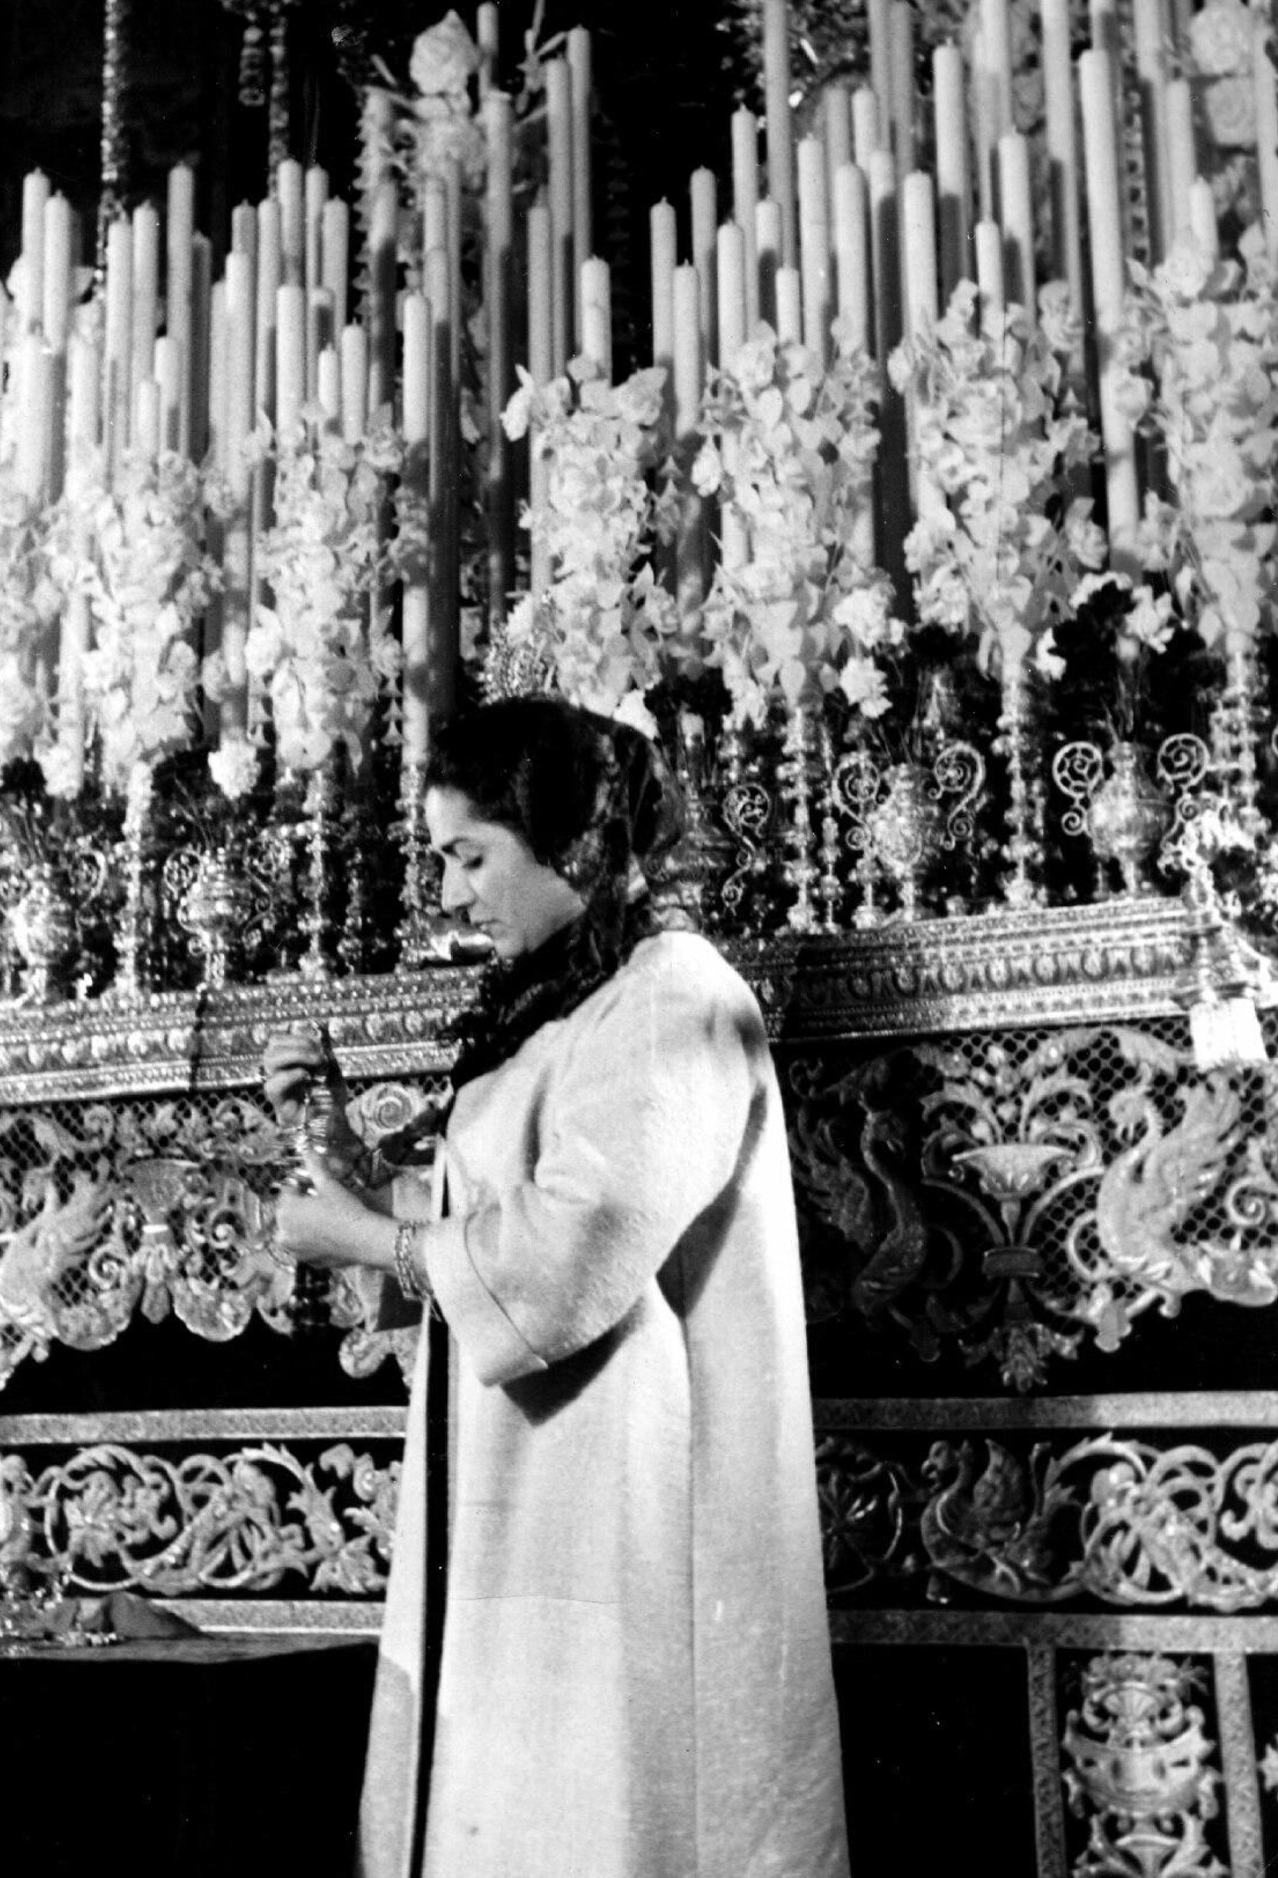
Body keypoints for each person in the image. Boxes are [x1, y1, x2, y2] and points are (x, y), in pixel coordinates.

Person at [265, 696, 848, 1878]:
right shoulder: (567, 1006)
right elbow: (489, 1217)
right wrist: (336, 1150)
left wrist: (373, 1243)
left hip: (627, 1506)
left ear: (570, 842)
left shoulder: (677, 993)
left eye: (469, 855)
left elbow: (571, 1251)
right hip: (535, 1503)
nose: (448, 893)